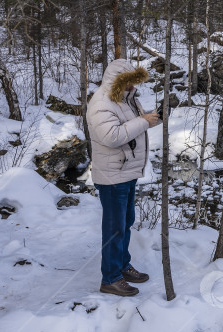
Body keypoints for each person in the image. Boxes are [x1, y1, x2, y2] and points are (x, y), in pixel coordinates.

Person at [87, 58, 160, 296]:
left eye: (134, 82)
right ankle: (110, 278)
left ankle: (121, 265)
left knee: (125, 223)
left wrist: (152, 119)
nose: (132, 87)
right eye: (128, 82)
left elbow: (132, 128)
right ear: (117, 80)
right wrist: (143, 121)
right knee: (114, 228)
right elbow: (112, 136)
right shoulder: (101, 103)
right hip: (111, 176)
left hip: (125, 171)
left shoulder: (126, 99)